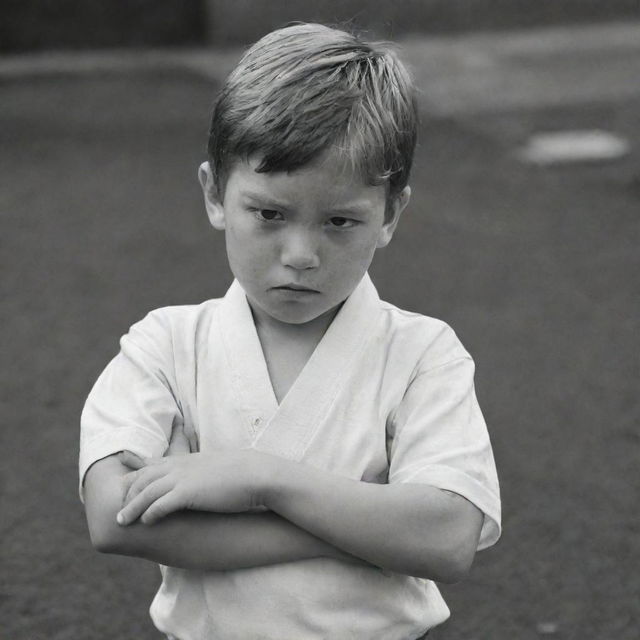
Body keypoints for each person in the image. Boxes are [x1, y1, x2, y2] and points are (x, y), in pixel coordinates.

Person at [80, 22, 501, 640]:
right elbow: (116, 518)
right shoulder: (165, 345)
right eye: (270, 214)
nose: (301, 254)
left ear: (390, 214)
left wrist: (258, 477)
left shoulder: (421, 353)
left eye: (340, 220)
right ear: (215, 193)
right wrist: (362, 533)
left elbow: (446, 538)